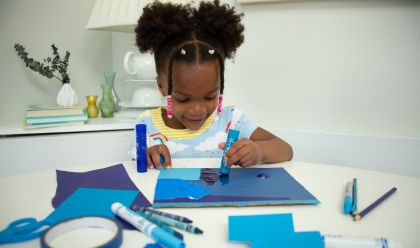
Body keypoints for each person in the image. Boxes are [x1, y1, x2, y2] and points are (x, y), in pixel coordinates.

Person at [131, 0, 292, 169]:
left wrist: (259, 151)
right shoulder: (146, 124)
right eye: (183, 99)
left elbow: (285, 150)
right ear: (161, 87)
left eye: (210, 96)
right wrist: (149, 154)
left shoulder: (232, 120)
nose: (197, 110)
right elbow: (137, 168)